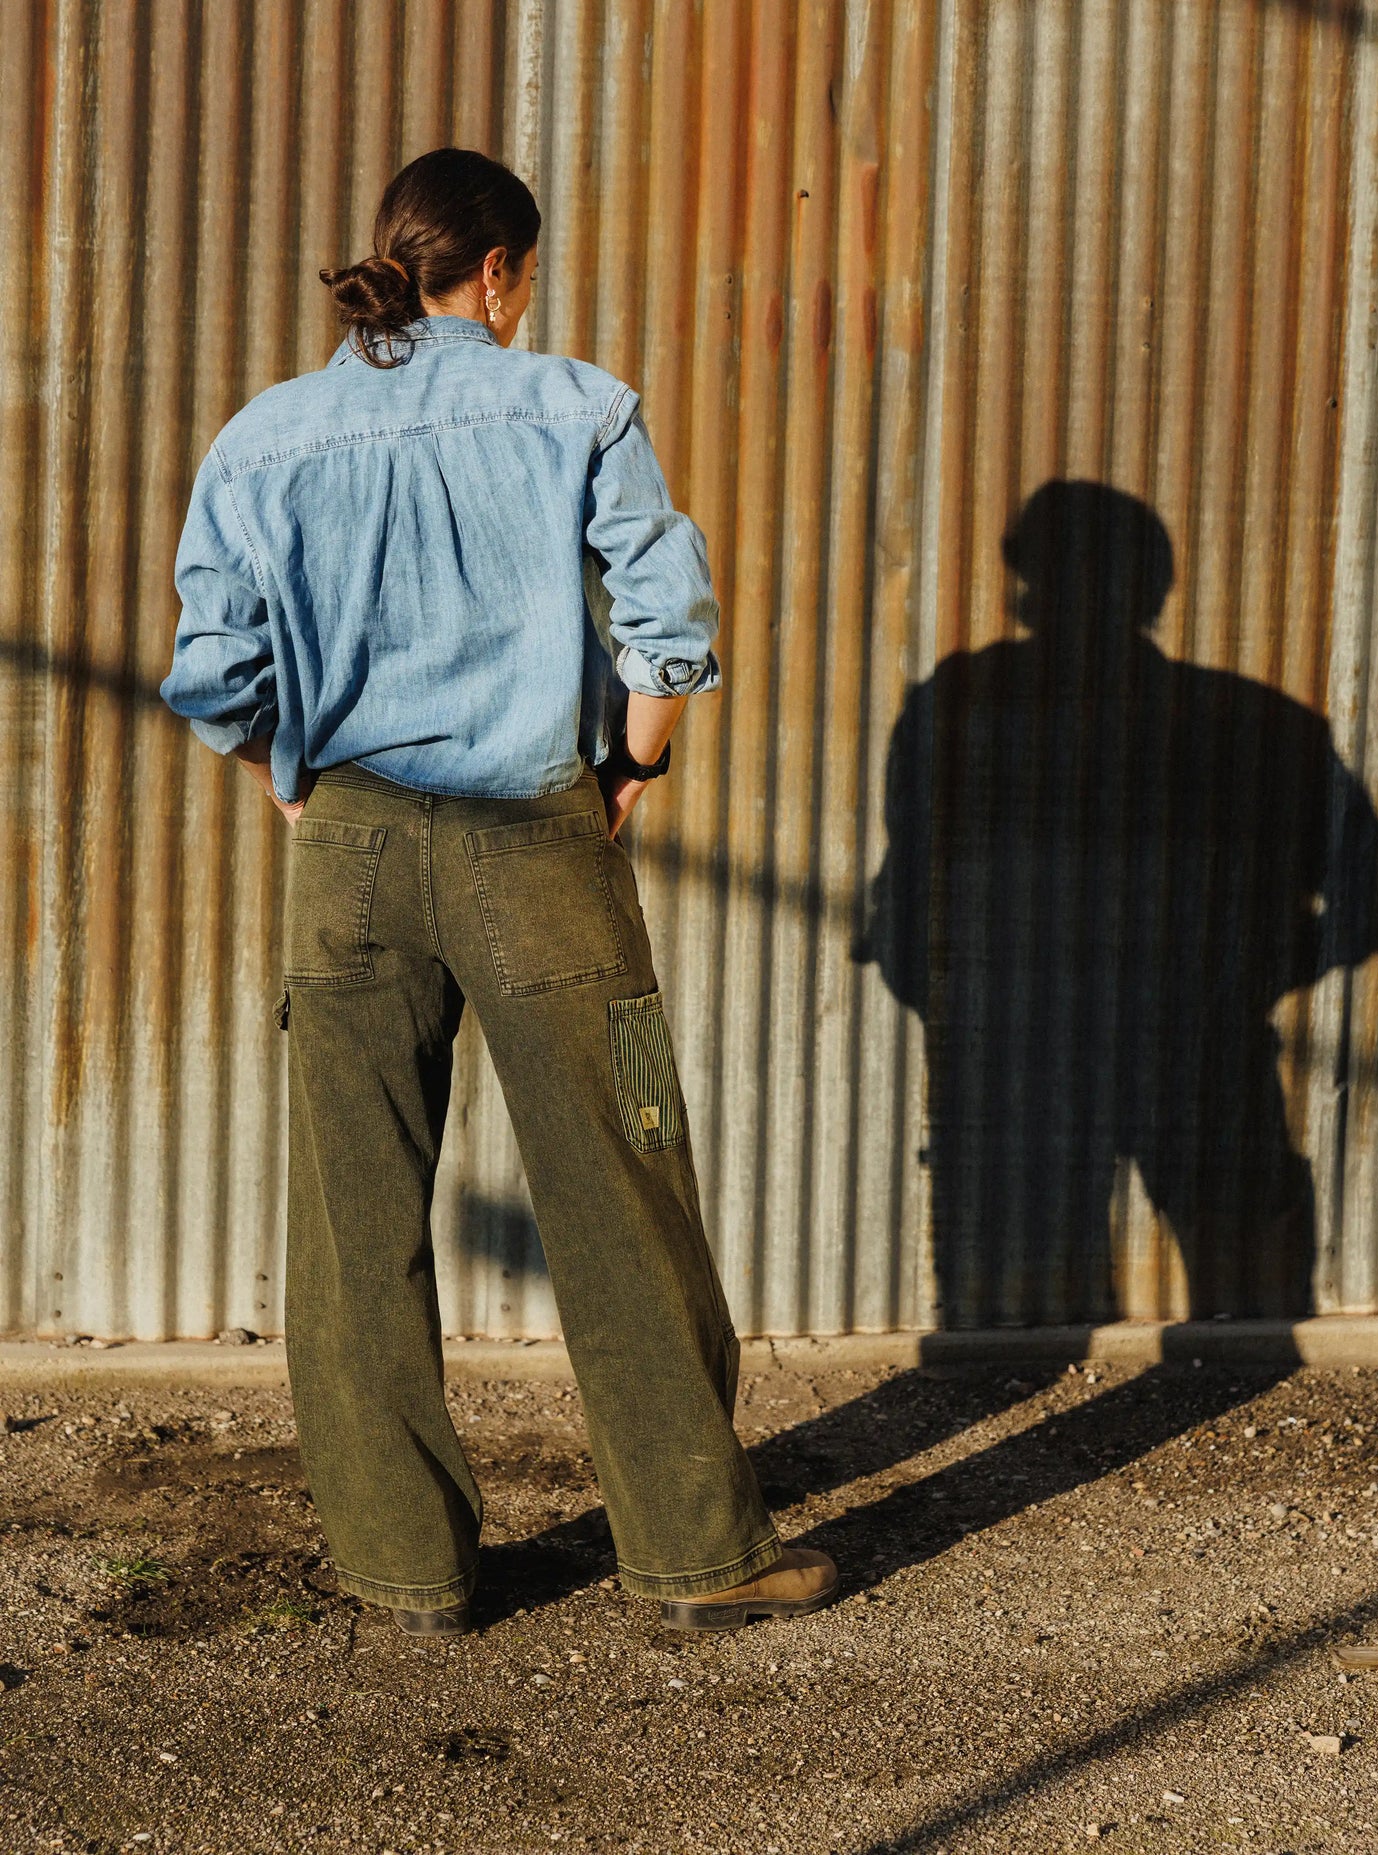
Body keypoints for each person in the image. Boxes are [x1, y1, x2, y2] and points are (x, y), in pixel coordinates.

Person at [160, 146, 837, 1637]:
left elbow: (212, 676)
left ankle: (407, 1570)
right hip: (538, 837)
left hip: (345, 851)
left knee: (354, 1220)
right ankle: (699, 1557)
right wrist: (631, 771)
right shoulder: (575, 404)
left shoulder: (265, 436)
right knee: (622, 1192)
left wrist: (283, 760)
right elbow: (667, 619)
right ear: (502, 271)